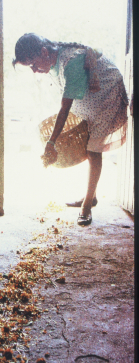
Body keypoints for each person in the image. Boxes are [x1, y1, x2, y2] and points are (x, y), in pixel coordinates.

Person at [12, 33, 129, 226]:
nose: (34, 70)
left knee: (93, 150)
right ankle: (91, 196)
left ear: (43, 51)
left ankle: (87, 206)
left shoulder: (71, 63)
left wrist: (51, 141)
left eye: (33, 64)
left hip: (107, 94)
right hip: (92, 98)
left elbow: (65, 108)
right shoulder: (51, 59)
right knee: (89, 146)